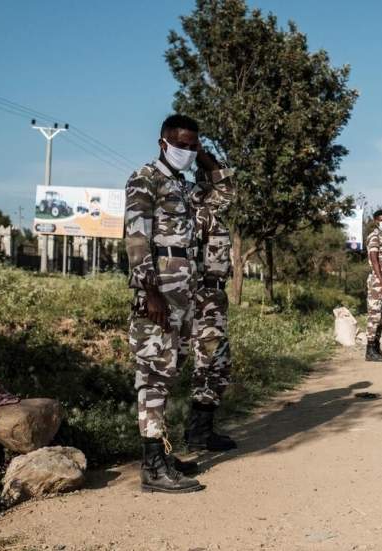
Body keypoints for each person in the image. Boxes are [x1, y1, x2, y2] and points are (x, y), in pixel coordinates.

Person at [125, 114, 233, 493]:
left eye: (192, 145)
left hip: (185, 290)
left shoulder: (184, 187)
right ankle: (152, 467)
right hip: (159, 290)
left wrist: (205, 158)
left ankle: (161, 454)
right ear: (162, 142)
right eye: (181, 144)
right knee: (153, 374)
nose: (186, 151)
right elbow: (136, 237)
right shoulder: (145, 178)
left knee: (169, 371)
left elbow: (224, 194)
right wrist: (148, 290)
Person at [186, 160, 238, 453]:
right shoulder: (198, 213)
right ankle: (198, 434)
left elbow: (228, 187)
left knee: (215, 364)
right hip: (202, 299)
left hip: (213, 300)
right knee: (210, 364)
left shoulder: (212, 211)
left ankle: (201, 430)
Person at [365, 209, 382, 362]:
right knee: (374, 315)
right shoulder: (374, 237)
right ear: (375, 221)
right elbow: (374, 259)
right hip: (377, 280)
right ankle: (369, 350)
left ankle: (376, 347)